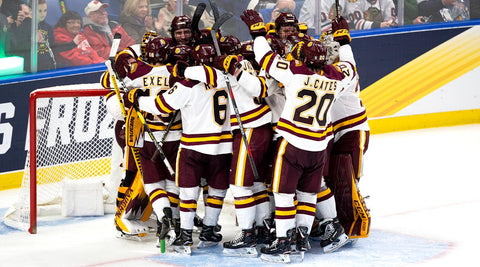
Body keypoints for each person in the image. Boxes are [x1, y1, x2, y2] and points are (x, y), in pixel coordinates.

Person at [242, 9, 355, 262]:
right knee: (308, 194)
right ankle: (301, 237)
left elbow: (264, 57)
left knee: (282, 193)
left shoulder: (294, 73)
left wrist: (257, 32)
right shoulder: (335, 77)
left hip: (292, 144)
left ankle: (283, 242)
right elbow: (350, 67)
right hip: (318, 146)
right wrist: (345, 42)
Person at [127, 44, 233, 255]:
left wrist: (137, 99)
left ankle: (185, 234)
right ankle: (209, 229)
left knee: (188, 192)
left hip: (193, 146)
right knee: (217, 190)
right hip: (223, 145)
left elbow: (160, 106)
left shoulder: (187, 85)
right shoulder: (227, 79)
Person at [9, 0, 55, 71]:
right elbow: (18, 47)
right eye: (39, 11)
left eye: (45, 10)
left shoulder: (48, 27)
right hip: (30, 69)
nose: (43, 14)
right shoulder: (24, 26)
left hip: (47, 68)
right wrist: (33, 41)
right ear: (31, 11)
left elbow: (52, 47)